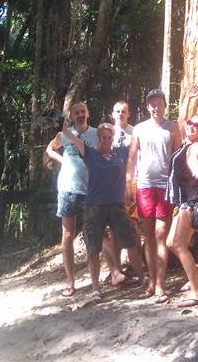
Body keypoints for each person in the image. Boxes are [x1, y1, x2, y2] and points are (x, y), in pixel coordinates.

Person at [60, 121, 143, 300]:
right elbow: (73, 139)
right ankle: (96, 289)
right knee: (93, 248)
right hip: (94, 207)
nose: (106, 140)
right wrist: (62, 126)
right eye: (103, 137)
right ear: (98, 138)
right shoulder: (90, 153)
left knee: (130, 242)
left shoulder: (120, 153)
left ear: (113, 138)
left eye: (109, 137)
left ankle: (143, 280)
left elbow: (137, 142)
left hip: (117, 206)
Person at [126, 88, 181, 302]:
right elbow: (131, 159)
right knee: (148, 235)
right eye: (152, 104)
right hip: (144, 186)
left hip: (165, 186)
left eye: (159, 103)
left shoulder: (172, 127)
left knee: (161, 234)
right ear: (147, 106)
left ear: (165, 105)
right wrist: (127, 184)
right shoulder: (139, 129)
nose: (156, 107)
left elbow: (177, 157)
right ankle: (152, 279)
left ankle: (161, 283)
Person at [166, 84, 198, 306]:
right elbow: (181, 120)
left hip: (194, 204)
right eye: (191, 124)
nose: (192, 126)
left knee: (176, 244)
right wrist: (187, 98)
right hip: (185, 202)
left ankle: (196, 292)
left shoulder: (196, 147)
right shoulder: (185, 143)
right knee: (171, 242)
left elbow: (194, 159)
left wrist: (195, 167)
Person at [45, 101, 98, 297]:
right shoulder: (62, 135)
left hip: (90, 190)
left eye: (83, 111)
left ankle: (97, 282)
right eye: (76, 112)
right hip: (68, 188)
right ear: (71, 115)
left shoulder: (96, 133)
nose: (80, 114)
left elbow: (96, 156)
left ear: (88, 113)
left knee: (94, 234)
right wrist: (63, 160)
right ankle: (70, 281)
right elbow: (50, 149)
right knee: (67, 235)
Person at [111, 100, 142, 276]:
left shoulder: (134, 132)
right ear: (112, 114)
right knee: (113, 226)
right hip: (111, 186)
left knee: (133, 224)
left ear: (129, 113)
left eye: (124, 111)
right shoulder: (107, 133)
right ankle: (117, 269)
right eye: (117, 111)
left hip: (131, 184)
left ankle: (137, 264)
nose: (121, 114)